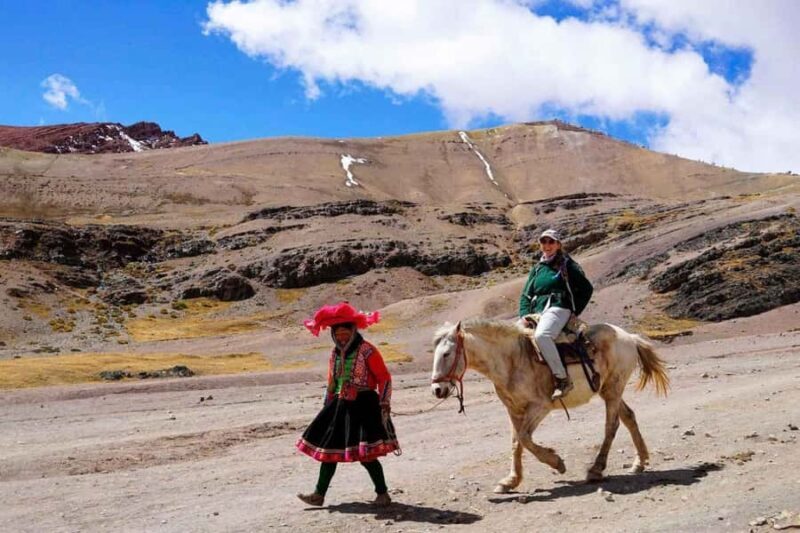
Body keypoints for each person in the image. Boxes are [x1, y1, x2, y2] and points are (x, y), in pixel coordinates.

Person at [296, 302, 399, 507]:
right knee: (329, 452)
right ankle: (319, 495)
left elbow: (384, 377)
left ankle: (383, 493)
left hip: (365, 405)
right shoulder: (334, 353)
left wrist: (384, 402)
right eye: (338, 334)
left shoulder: (367, 350)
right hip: (340, 405)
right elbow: (332, 381)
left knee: (366, 455)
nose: (342, 337)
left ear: (353, 331)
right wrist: (328, 405)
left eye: (345, 333)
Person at [519, 229, 594, 400]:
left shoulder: (567, 265)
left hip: (558, 307)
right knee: (513, 336)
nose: (547, 245)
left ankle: (562, 379)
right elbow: (525, 295)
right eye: (543, 242)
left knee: (543, 336)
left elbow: (586, 289)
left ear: (558, 245)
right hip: (536, 311)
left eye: (551, 242)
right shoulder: (537, 269)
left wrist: (574, 310)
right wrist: (524, 315)